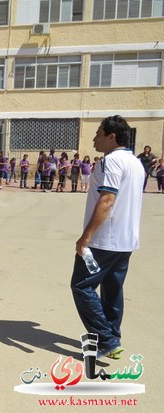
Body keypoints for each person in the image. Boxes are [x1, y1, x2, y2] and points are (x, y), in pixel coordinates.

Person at [70, 115, 143, 360]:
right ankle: (113, 336)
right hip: (125, 241)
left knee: (81, 285)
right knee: (112, 290)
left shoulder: (111, 162)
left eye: (98, 134)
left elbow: (108, 199)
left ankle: (106, 339)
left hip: (104, 240)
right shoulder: (135, 162)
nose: (94, 139)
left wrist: (86, 236)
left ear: (112, 137)